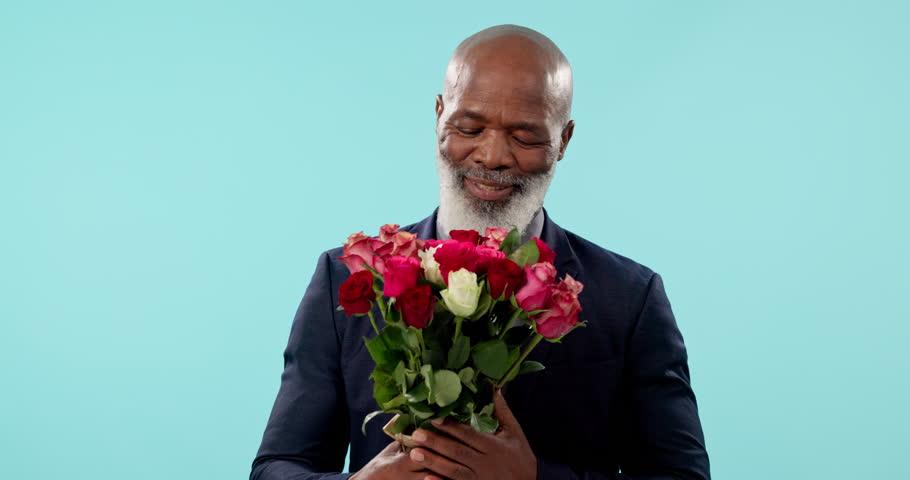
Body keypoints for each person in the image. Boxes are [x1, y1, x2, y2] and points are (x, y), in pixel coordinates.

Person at [251, 24, 710, 480]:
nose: (491, 156)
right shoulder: (345, 277)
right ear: (438, 115)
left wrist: (533, 479)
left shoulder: (630, 298)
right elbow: (277, 468)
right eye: (469, 127)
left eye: (526, 137)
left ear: (564, 140)